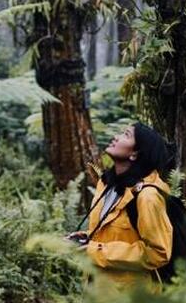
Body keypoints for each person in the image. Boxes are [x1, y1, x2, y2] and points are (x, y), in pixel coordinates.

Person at [68, 123, 174, 290]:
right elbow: (118, 233)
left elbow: (158, 253)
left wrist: (97, 250)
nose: (116, 137)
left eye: (126, 135)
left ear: (135, 154)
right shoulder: (106, 184)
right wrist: (84, 238)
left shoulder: (147, 197)